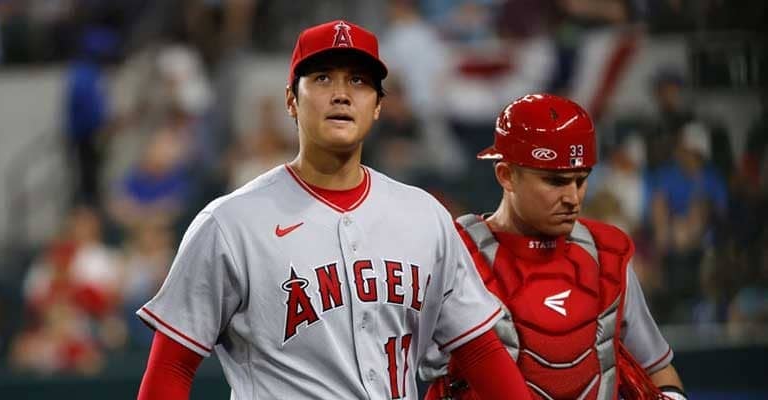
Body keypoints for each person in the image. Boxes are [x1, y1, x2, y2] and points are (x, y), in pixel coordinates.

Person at [135, 20, 531, 399]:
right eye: (323, 78)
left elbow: (479, 351)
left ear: (378, 105)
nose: (342, 94)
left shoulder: (425, 217)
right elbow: (172, 367)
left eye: (358, 81)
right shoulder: (230, 224)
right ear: (291, 100)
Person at [423, 94, 686, 400]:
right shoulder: (455, 253)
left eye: (581, 180)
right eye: (555, 181)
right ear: (506, 175)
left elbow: (659, 370)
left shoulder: (607, 258)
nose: (573, 198)